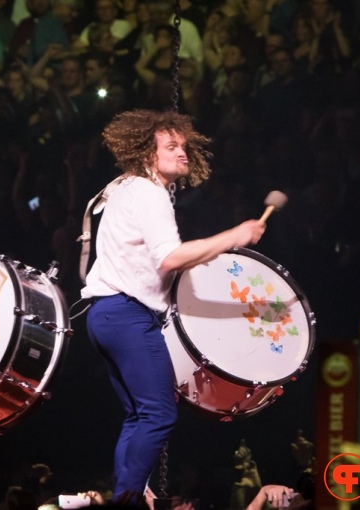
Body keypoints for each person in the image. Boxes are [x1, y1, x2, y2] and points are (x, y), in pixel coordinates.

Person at [80, 109, 267, 505]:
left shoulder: (128, 188)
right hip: (128, 316)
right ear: (148, 153)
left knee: (138, 416)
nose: (182, 153)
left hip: (105, 316)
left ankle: (127, 494)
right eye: (171, 147)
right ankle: (127, 501)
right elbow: (169, 257)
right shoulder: (148, 193)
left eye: (183, 146)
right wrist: (236, 235)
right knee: (160, 414)